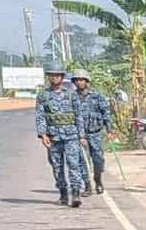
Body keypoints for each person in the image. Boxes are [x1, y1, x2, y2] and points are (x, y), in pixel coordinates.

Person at [34, 63, 84, 207]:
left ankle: (76, 193)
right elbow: (40, 116)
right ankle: (63, 193)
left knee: (74, 164)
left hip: (71, 136)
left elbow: (78, 115)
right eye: (52, 75)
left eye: (57, 75)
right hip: (53, 137)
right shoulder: (43, 96)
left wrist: (81, 135)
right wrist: (43, 135)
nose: (54, 78)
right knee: (57, 166)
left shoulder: (71, 94)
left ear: (62, 77)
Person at [73, 71, 111, 195]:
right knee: (83, 161)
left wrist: (109, 130)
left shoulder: (96, 96)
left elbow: (105, 113)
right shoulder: (72, 97)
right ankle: (88, 186)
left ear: (86, 81)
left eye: (82, 79)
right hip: (80, 136)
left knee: (98, 160)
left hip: (95, 133)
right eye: (77, 80)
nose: (79, 82)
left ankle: (98, 180)